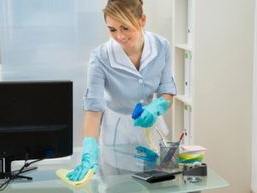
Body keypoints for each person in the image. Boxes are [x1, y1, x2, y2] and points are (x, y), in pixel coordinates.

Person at [67, 0, 176, 182]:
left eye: (125, 27)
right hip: (117, 138)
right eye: (112, 29)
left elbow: (167, 90)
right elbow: (93, 109)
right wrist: (89, 150)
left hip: (153, 131)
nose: (119, 36)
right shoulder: (100, 57)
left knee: (158, 185)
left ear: (142, 20)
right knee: (119, 186)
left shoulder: (161, 46)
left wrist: (158, 105)